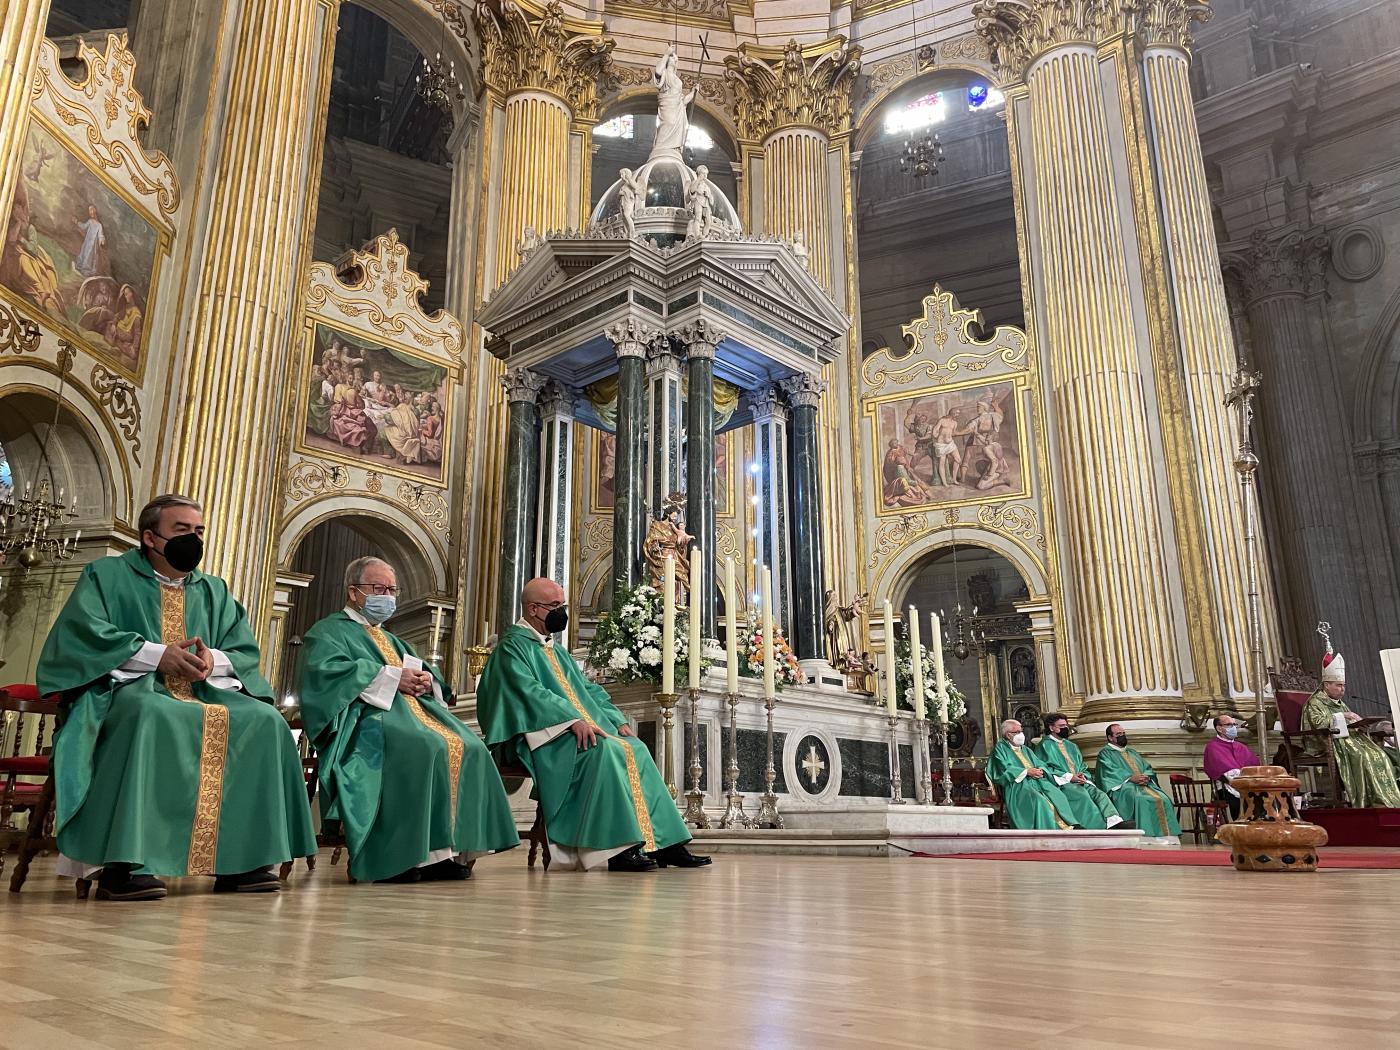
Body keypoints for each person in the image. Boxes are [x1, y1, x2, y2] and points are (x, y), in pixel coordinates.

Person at [35, 494, 315, 901]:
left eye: (199, 531)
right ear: (150, 537)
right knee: (150, 713)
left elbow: (243, 652)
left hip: (203, 689)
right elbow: (81, 635)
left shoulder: (215, 590)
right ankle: (124, 863)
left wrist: (212, 658)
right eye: (181, 530)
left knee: (266, 721)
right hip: (127, 688)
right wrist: (155, 655)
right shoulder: (106, 576)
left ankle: (241, 862)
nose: (194, 539)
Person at [298, 557, 518, 884]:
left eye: (391, 590)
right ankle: (399, 856)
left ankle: (444, 852)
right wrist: (390, 677)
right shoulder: (327, 632)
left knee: (468, 745)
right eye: (378, 589)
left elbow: (423, 673)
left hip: (412, 714)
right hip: (365, 721)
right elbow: (324, 677)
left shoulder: (392, 638)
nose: (386, 596)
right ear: (354, 592)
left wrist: (428, 682)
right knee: (424, 746)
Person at [476, 578, 710, 871]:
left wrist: (615, 718)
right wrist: (571, 720)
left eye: (563, 605)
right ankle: (617, 849)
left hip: (569, 729)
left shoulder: (556, 651)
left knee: (636, 748)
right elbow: (527, 692)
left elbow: (587, 690)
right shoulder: (512, 647)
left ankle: (664, 844)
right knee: (603, 752)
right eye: (555, 606)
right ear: (534, 609)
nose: (562, 611)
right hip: (536, 734)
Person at [1301, 650, 1400, 807]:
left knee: (1380, 754)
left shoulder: (1339, 702)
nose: (1343, 689)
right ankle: (1366, 801)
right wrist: (1344, 715)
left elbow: (1349, 722)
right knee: (1364, 757)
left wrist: (1361, 725)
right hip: (1328, 741)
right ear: (1326, 685)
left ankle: (1385, 798)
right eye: (1339, 685)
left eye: (1344, 686)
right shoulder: (1315, 703)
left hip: (1350, 739)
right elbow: (1318, 724)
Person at [1093, 725, 1181, 842]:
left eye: (1123, 733)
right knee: (1141, 799)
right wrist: (1130, 778)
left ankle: (1168, 837)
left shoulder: (1132, 752)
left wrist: (1146, 777)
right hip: (1122, 788)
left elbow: (1147, 767)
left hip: (1143, 785)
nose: (1122, 736)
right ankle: (1146, 838)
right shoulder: (1105, 754)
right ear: (1110, 738)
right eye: (1118, 734)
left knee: (1164, 799)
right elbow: (1108, 774)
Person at [986, 719, 1079, 830]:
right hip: (1016, 786)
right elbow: (1002, 770)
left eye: (1021, 731)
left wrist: (1041, 769)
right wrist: (1026, 772)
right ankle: (1047, 832)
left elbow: (1040, 763)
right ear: (1008, 735)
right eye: (1017, 732)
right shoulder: (1000, 749)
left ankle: (1067, 826)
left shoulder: (1025, 749)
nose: (1021, 734)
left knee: (1058, 795)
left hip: (1036, 782)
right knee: (1040, 802)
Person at [1033, 714, 1121, 830]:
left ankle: (1114, 822)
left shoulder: (1072, 746)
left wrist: (1082, 775)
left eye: (1066, 725)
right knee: (1082, 795)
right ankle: (1096, 828)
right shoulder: (1044, 746)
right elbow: (1044, 768)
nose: (1065, 728)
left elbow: (1082, 765)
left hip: (1079, 780)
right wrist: (1069, 777)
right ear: (1051, 728)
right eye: (1061, 726)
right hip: (1061, 783)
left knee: (1099, 794)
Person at [1202, 714, 1260, 820]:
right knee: (1237, 804)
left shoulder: (1242, 747)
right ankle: (1239, 830)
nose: (1233, 728)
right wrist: (1233, 783)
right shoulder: (1212, 747)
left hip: (1246, 785)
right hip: (1226, 787)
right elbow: (1216, 770)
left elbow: (1255, 765)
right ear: (1219, 728)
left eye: (1234, 725)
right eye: (1229, 725)